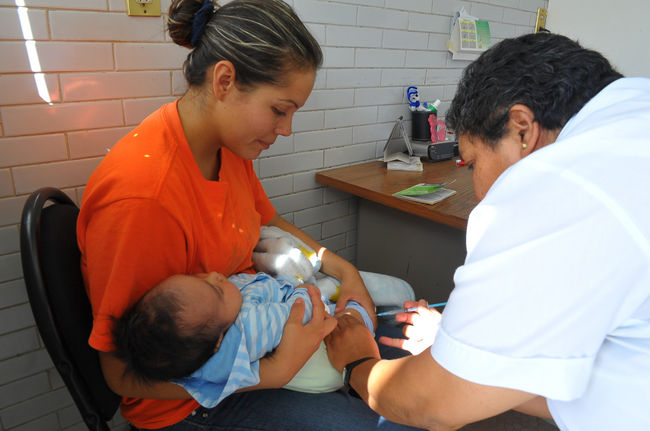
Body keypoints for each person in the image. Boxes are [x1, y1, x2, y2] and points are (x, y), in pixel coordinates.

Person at [77, 0, 421, 429]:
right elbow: (120, 376)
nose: (286, 129)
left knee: (415, 369)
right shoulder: (143, 200)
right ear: (225, 81)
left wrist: (344, 271)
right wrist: (270, 373)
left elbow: (267, 221)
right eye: (280, 109)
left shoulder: (226, 145)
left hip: (260, 327)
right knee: (397, 416)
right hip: (195, 399)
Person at [325, 32, 650, 431]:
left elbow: (432, 403)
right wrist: (474, 349)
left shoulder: (559, 184)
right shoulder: (633, 113)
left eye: (473, 161)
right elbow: (620, 373)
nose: (479, 193)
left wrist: (357, 364)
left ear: (522, 130)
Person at [113, 271, 375, 407]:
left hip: (290, 356)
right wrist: (305, 292)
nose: (215, 274)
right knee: (355, 321)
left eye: (198, 278)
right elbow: (300, 313)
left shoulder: (194, 341)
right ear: (219, 341)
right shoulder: (248, 328)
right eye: (216, 289)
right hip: (320, 362)